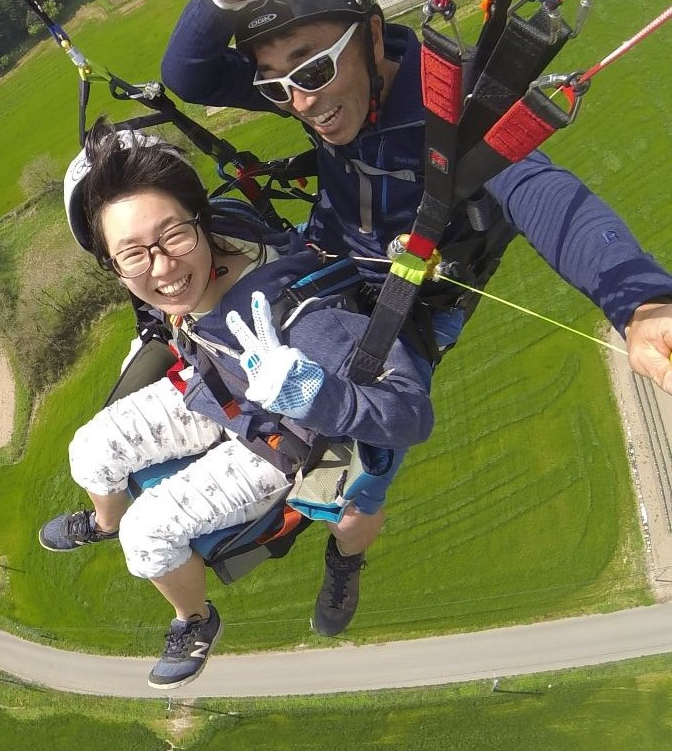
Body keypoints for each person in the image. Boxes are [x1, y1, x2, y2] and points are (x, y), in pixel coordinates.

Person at [157, 0, 673, 630]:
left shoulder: (453, 108)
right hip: (328, 268)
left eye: (309, 69)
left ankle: (345, 563)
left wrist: (640, 303)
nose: (301, 101)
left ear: (370, 36)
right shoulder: (330, 84)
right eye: (276, 86)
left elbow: (542, 191)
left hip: (409, 311)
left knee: (364, 469)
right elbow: (189, 74)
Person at [39, 123, 435, 689]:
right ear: (114, 264)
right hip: (215, 392)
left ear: (199, 222)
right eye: (133, 254)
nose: (162, 268)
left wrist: (311, 393)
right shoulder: (218, 240)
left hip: (279, 440)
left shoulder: (290, 313)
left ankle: (195, 621)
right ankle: (106, 519)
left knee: (147, 537)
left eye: (173, 235)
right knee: (89, 449)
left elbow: (411, 415)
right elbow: (168, 314)